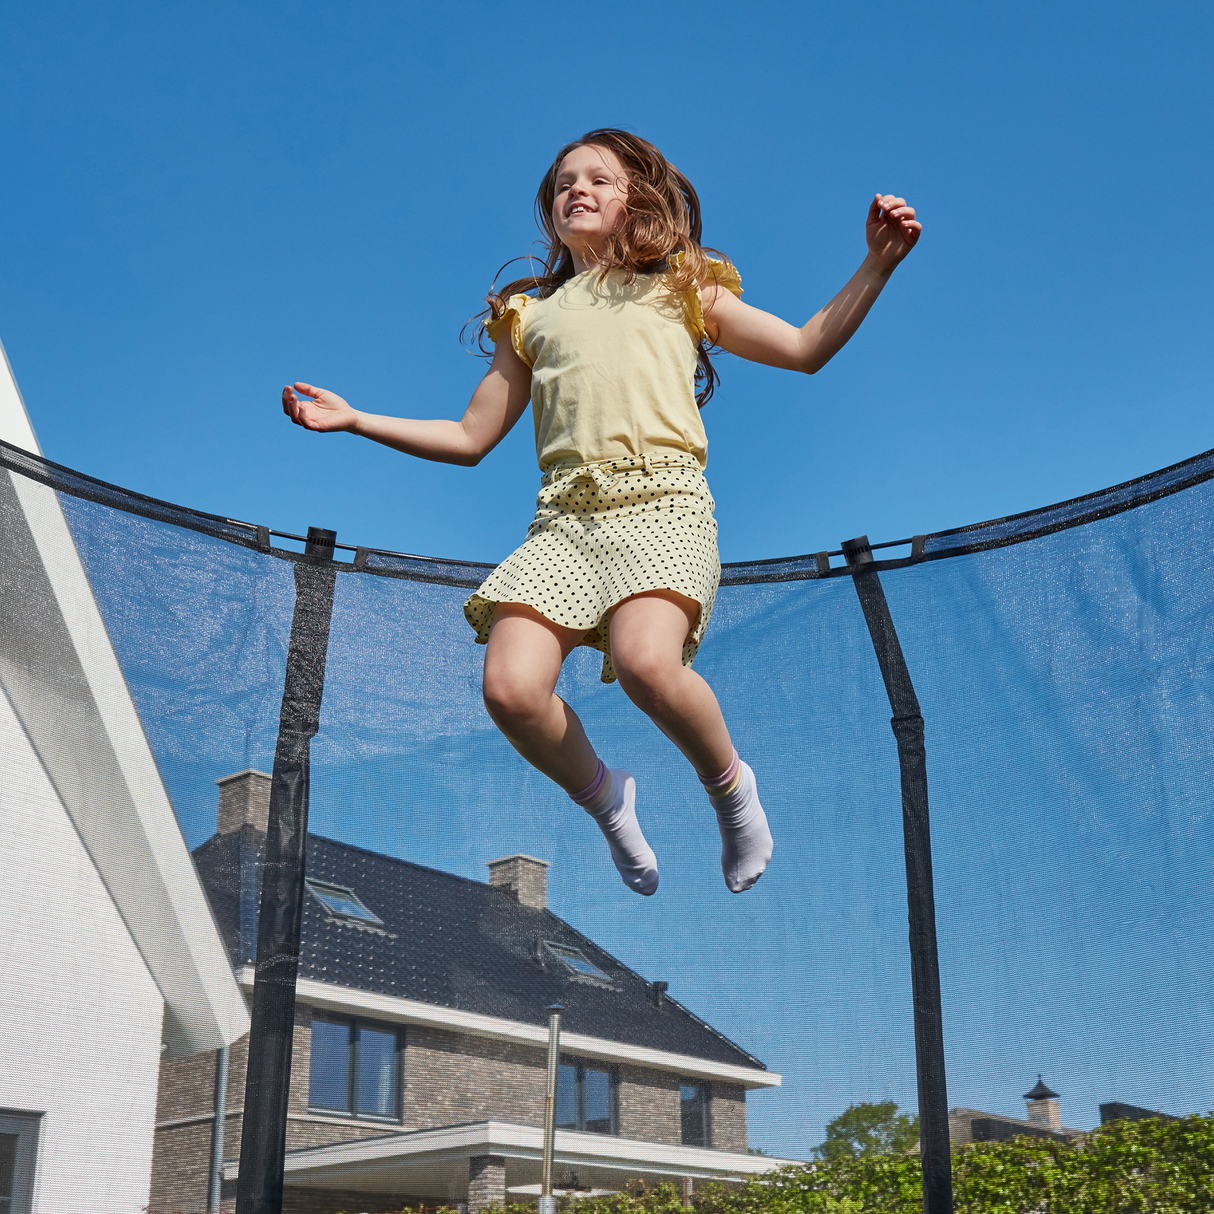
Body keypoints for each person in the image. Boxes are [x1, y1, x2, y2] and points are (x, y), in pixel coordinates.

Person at [282, 129, 921, 898]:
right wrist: (357, 419)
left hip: (663, 500)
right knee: (511, 690)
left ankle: (731, 790)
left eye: (597, 179)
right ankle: (609, 801)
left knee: (650, 663)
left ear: (636, 201)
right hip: (565, 522)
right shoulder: (529, 315)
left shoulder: (682, 284)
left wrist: (877, 264)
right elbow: (469, 436)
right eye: (562, 184)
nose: (575, 189)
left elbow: (807, 346)